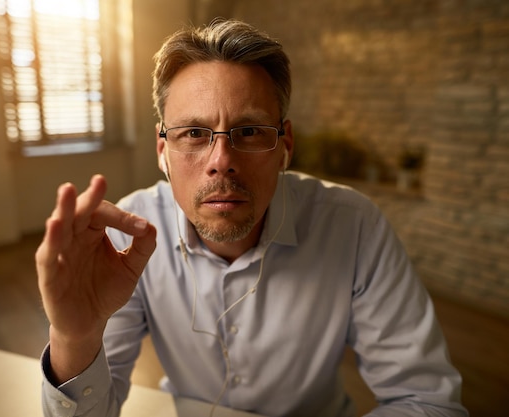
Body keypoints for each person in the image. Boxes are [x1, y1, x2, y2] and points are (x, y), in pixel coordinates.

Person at [36, 18, 467, 417]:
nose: (221, 161)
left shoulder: (353, 226)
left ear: (285, 144)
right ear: (162, 150)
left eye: (249, 131)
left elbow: (426, 400)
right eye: (193, 133)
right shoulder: (127, 237)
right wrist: (75, 337)